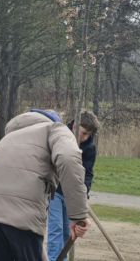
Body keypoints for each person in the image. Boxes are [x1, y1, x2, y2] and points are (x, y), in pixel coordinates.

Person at [0, 109, 90, 260]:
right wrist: (78, 216)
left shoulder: (8, 138)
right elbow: (68, 158)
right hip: (21, 216)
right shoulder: (55, 129)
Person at [47, 110, 100, 261]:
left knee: (68, 232)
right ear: (74, 125)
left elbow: (88, 174)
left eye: (88, 135)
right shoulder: (60, 136)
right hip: (55, 191)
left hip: (72, 196)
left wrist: (83, 195)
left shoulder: (90, 148)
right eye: (83, 133)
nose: (85, 137)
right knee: (56, 230)